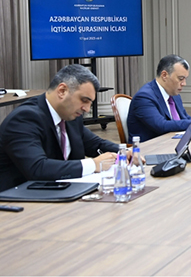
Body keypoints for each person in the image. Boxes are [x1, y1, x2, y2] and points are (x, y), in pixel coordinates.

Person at [0, 64, 121, 192]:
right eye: (84, 100)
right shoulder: (24, 119)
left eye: (90, 103)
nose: (86, 109)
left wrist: (125, 152)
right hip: (20, 198)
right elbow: (37, 168)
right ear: (62, 91)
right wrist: (93, 164)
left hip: (61, 192)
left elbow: (95, 144)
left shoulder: (69, 115)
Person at [127, 54, 191, 143]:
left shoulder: (174, 95)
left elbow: (185, 119)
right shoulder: (144, 97)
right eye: (180, 79)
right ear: (164, 75)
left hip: (173, 143)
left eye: (185, 79)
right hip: (151, 148)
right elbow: (161, 125)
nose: (184, 83)